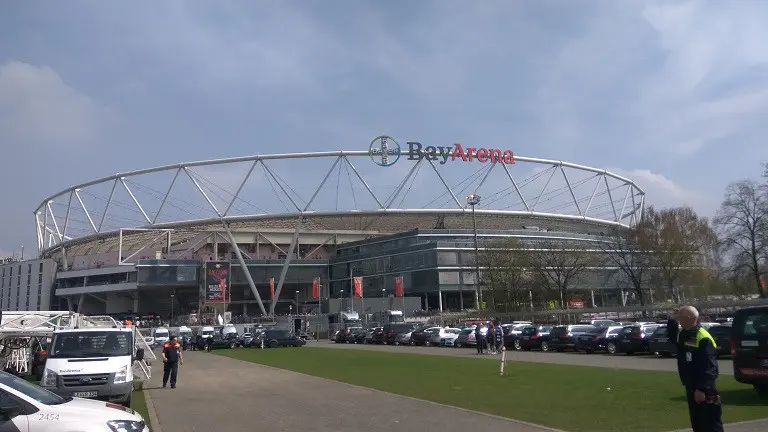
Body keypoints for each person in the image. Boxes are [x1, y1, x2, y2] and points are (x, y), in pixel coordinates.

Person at [668, 306, 723, 432]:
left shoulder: (703, 337)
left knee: (711, 425)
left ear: (688, 318)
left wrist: (701, 389)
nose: (679, 320)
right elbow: (672, 338)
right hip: (692, 386)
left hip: (705, 389)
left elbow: (710, 367)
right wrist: (672, 320)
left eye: (680, 317)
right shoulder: (684, 334)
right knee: (698, 424)